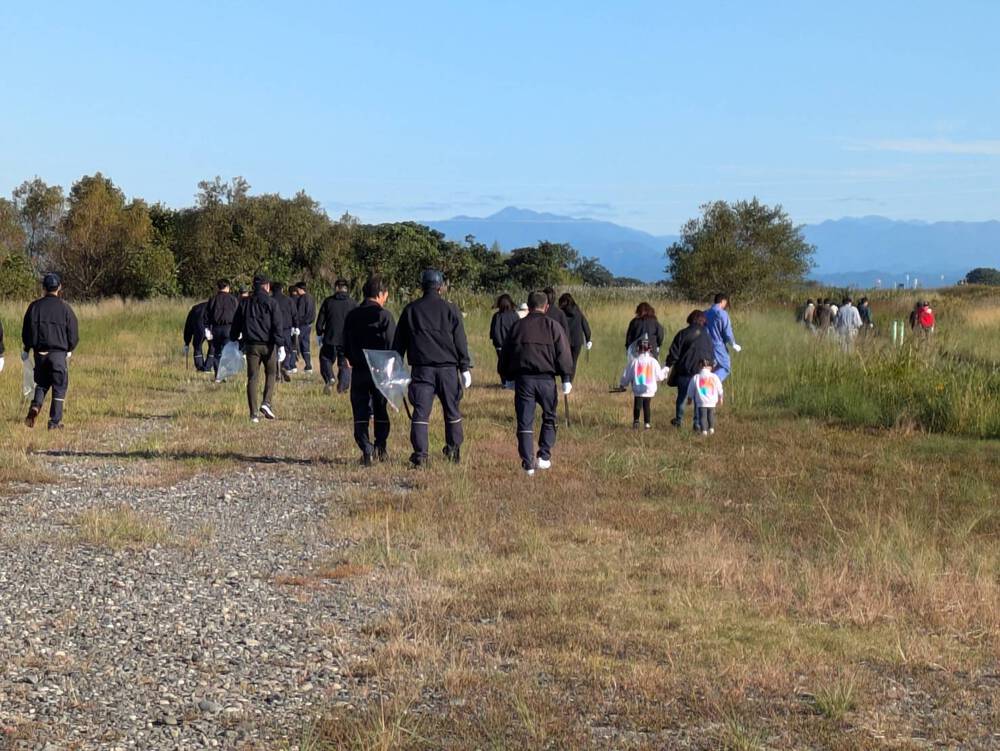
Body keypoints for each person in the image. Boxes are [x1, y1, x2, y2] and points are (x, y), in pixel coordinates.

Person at [392, 269, 471, 467]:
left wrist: (395, 366)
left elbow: (399, 343)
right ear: (440, 287)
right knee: (452, 410)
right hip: (448, 370)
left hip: (422, 370)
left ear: (422, 286)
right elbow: (460, 340)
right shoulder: (451, 309)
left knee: (420, 413)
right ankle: (453, 450)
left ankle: (420, 456)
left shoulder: (411, 309)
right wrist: (464, 367)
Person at [499, 290, 574, 476]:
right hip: (547, 380)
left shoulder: (517, 326)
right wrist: (566, 378)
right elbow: (564, 353)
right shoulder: (553, 326)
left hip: (524, 380)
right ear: (546, 307)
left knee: (525, 421)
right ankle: (544, 455)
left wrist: (507, 377)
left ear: (528, 306)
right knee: (549, 417)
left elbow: (506, 353)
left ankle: (528, 463)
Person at [343, 275, 397, 466]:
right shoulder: (384, 316)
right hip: (380, 370)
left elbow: (345, 342)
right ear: (380, 294)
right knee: (380, 409)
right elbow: (392, 345)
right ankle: (380, 447)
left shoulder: (352, 315)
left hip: (359, 370)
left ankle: (366, 448)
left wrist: (350, 358)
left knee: (360, 409)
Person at [21, 273, 79, 430]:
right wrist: (69, 348)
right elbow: (73, 333)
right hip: (58, 354)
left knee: (42, 383)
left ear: (44, 288)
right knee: (59, 386)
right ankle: (54, 422)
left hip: (40, 354)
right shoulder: (65, 308)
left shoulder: (34, 307)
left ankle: (35, 406)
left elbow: (26, 331)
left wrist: (27, 348)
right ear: (59, 287)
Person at [231, 274, 285, 422]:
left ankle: (253, 414)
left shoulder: (245, 302)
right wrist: (281, 344)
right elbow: (277, 324)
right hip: (269, 345)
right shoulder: (272, 303)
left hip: (251, 346)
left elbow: (236, 323)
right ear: (266, 286)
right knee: (271, 373)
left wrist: (234, 338)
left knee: (252, 377)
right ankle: (266, 402)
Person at [663, 310, 715, 430]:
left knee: (682, 397)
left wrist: (667, 365)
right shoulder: (707, 336)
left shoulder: (682, 333)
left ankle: (679, 420)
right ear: (703, 321)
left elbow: (674, 353)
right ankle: (697, 424)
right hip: (701, 373)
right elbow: (711, 355)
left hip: (684, 372)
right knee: (699, 400)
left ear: (690, 319)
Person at [316, 279, 358, 395]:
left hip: (330, 338)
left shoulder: (328, 302)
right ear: (347, 289)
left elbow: (320, 323)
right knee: (345, 364)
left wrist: (319, 333)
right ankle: (342, 388)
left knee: (325, 358)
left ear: (336, 288)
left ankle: (330, 377)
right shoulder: (353, 304)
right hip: (347, 341)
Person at [620, 336, 668, 430]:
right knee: (647, 406)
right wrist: (665, 370)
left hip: (638, 388)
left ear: (638, 348)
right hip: (649, 389)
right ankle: (647, 423)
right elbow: (659, 376)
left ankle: (636, 421)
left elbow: (627, 374)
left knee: (637, 405)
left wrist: (623, 384)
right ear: (649, 348)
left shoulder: (635, 361)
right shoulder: (653, 362)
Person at [205, 279, 238, 380]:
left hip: (216, 328)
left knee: (216, 352)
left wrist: (207, 329)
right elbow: (238, 315)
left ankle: (218, 375)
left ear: (218, 288)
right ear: (227, 287)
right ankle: (225, 374)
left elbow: (207, 315)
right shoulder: (233, 299)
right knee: (228, 352)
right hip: (229, 328)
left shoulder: (213, 299)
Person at [703, 293, 741, 381]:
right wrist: (733, 343)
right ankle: (711, 383)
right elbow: (727, 332)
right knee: (725, 367)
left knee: (711, 368)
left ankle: (706, 385)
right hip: (718, 345)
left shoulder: (705, 313)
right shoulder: (722, 313)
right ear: (723, 301)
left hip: (706, 345)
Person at [558, 292, 592, 381]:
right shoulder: (578, 311)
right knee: (573, 362)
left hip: (565, 341)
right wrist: (588, 339)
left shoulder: (561, 313)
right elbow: (585, 325)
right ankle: (570, 382)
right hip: (577, 341)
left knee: (564, 361)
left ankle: (565, 380)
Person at [686, 359, 724, 436]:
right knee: (711, 415)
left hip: (701, 401)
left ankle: (704, 431)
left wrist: (689, 399)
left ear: (699, 367)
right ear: (711, 367)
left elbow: (690, 389)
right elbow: (719, 388)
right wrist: (721, 397)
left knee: (702, 416)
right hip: (712, 400)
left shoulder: (696, 377)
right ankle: (711, 429)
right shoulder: (714, 377)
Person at [489, 294, 519, 386]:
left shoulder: (496, 316)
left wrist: (497, 343)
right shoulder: (514, 315)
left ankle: (505, 382)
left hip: (500, 346)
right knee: (512, 363)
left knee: (502, 364)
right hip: (513, 345)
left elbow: (493, 333)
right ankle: (512, 382)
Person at [270, 282, 297, 378]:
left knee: (273, 350)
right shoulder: (289, 300)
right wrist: (296, 326)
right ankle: (285, 365)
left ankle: (276, 369)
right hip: (286, 329)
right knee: (287, 348)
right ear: (282, 289)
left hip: (272, 329)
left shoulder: (269, 300)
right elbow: (294, 314)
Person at [292, 282, 317, 374]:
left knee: (295, 344)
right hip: (309, 325)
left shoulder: (302, 299)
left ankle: (292, 365)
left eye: (297, 289)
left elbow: (300, 314)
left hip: (302, 325)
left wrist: (296, 324)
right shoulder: (311, 298)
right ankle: (308, 365)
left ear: (300, 289)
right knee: (305, 345)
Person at [183, 300, 210, 372]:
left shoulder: (195, 308)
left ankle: (200, 367)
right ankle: (208, 367)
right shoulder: (214, 307)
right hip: (210, 328)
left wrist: (187, 341)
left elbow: (188, 326)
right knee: (213, 346)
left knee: (197, 346)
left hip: (198, 328)